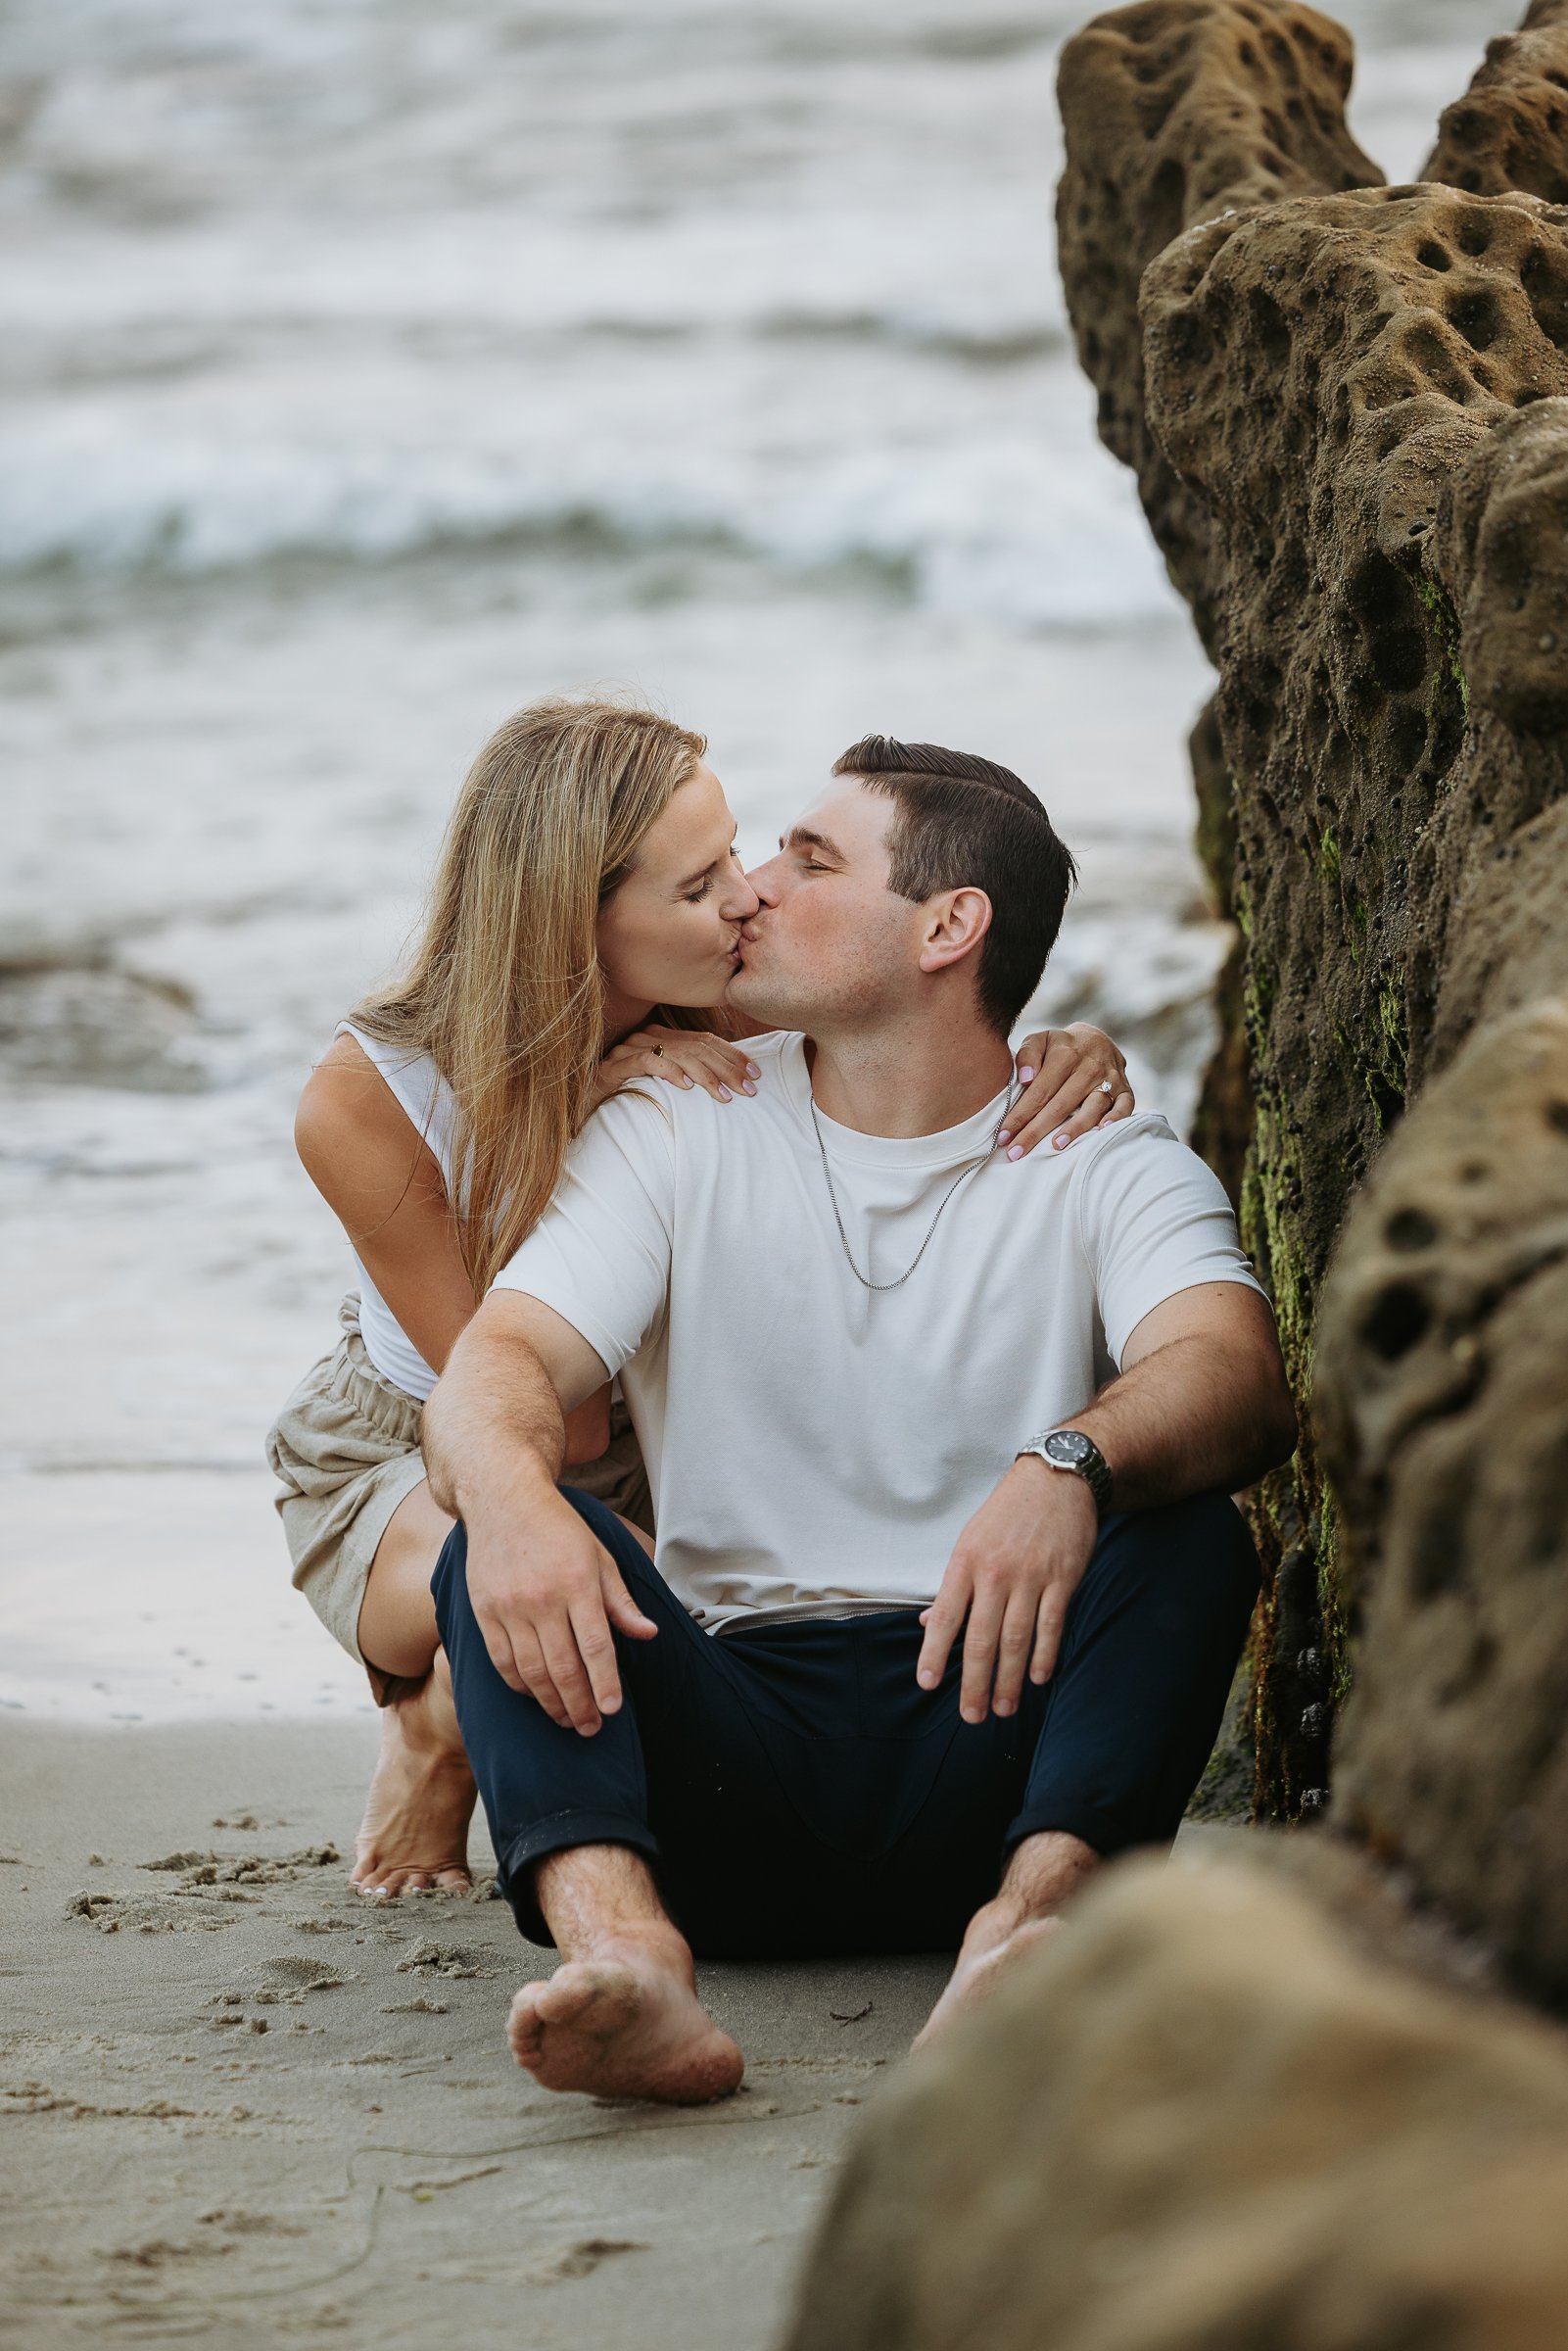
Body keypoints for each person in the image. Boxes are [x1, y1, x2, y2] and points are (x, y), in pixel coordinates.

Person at [420, 734, 1298, 2105]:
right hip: (722, 1770)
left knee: (1184, 1531)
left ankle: (1026, 1935)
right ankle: (631, 1959)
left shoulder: (1108, 1157)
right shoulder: (676, 1119)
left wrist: (1068, 1463)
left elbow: (1236, 1372)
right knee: (496, 1535)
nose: (753, 889)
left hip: (997, 1739)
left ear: (950, 927)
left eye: (808, 859)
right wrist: (520, 1502)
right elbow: (500, 1367)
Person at [264, 698, 1137, 1899]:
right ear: (577, 920)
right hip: (416, 1454)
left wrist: (1065, 1047)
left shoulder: (722, 995)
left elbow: (922, 1030)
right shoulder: (372, 1100)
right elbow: (547, 1428)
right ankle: (435, 1729)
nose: (744, 896)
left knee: (660, 1608)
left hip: (664, 1435)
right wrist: (598, 1117)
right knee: (566, 1580)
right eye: (695, 886)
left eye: (733, 849)